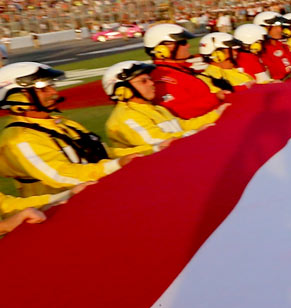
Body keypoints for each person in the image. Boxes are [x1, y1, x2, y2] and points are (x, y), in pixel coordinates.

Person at [0, 62, 122, 198]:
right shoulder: (19, 138)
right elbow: (60, 175)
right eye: (42, 88)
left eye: (51, 85)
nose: (54, 92)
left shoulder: (63, 123)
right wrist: (115, 165)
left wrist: (138, 154)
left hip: (95, 196)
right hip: (57, 211)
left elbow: (105, 152)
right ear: (16, 98)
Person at [103, 60, 220, 158]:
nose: (151, 83)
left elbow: (183, 125)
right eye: (143, 81)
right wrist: (197, 132)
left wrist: (217, 114)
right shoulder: (125, 117)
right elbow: (158, 141)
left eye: (150, 79)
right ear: (122, 91)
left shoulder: (155, 108)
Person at [143, 23, 227, 120]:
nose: (188, 45)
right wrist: (215, 98)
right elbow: (178, 112)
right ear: (162, 49)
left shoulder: (179, 69)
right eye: (183, 42)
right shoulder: (162, 79)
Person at [253, 13, 291, 80]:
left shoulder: (283, 45)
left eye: (280, 26)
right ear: (263, 29)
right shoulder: (261, 52)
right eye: (275, 27)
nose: (280, 30)